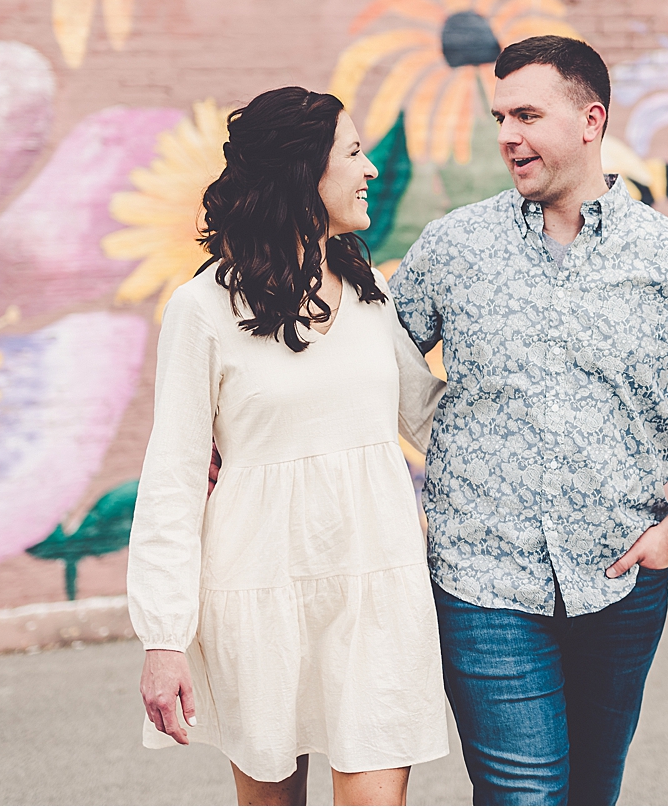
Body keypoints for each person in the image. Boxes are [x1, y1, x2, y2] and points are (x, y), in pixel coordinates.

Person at [390, 34, 668, 807]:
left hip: (620, 586)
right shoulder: (452, 248)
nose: (507, 133)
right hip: (483, 583)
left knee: (588, 795)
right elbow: (359, 370)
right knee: (523, 796)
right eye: (500, 115)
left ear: (590, 120)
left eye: (528, 113)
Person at [129, 87, 448, 807]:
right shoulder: (203, 307)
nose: (370, 170)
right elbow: (174, 478)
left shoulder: (371, 295)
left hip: (377, 584)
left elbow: (433, 423)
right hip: (260, 589)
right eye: (354, 152)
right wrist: (162, 637)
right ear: (302, 171)